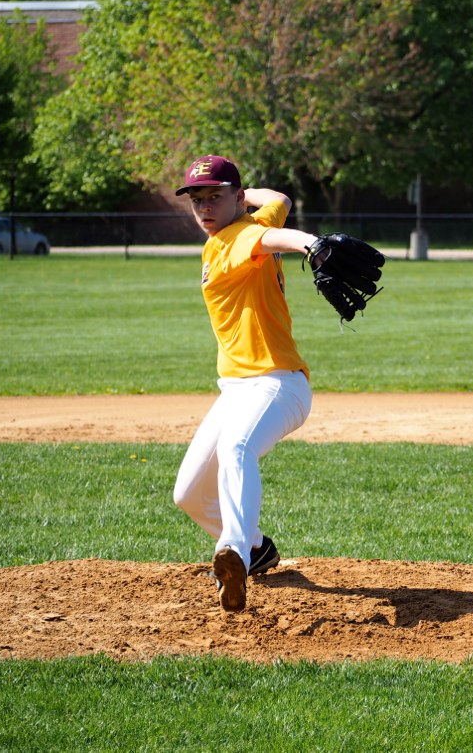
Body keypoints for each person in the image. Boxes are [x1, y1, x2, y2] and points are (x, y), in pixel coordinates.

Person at [172, 154, 326, 612]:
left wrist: (311, 244)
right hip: (238, 388)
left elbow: (270, 236)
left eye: (214, 197)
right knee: (190, 494)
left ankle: (234, 552)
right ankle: (257, 548)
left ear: (237, 198)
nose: (204, 208)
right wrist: (235, 194)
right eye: (197, 199)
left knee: (235, 448)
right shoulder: (240, 223)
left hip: (278, 384)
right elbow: (279, 200)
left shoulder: (236, 238)